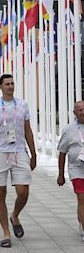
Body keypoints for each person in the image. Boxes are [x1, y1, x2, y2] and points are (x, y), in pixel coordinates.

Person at [0, 74, 37, 248]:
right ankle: (6, 233)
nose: (10, 86)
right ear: (1, 87)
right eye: (7, 84)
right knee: (0, 192)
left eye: (12, 83)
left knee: (23, 191)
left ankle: (15, 215)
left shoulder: (23, 104)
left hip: (19, 151)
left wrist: (33, 154)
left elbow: (28, 130)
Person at [57, 101, 84, 241]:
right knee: (81, 198)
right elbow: (62, 153)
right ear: (74, 113)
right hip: (77, 169)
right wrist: (61, 175)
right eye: (80, 110)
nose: (83, 112)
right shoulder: (69, 130)